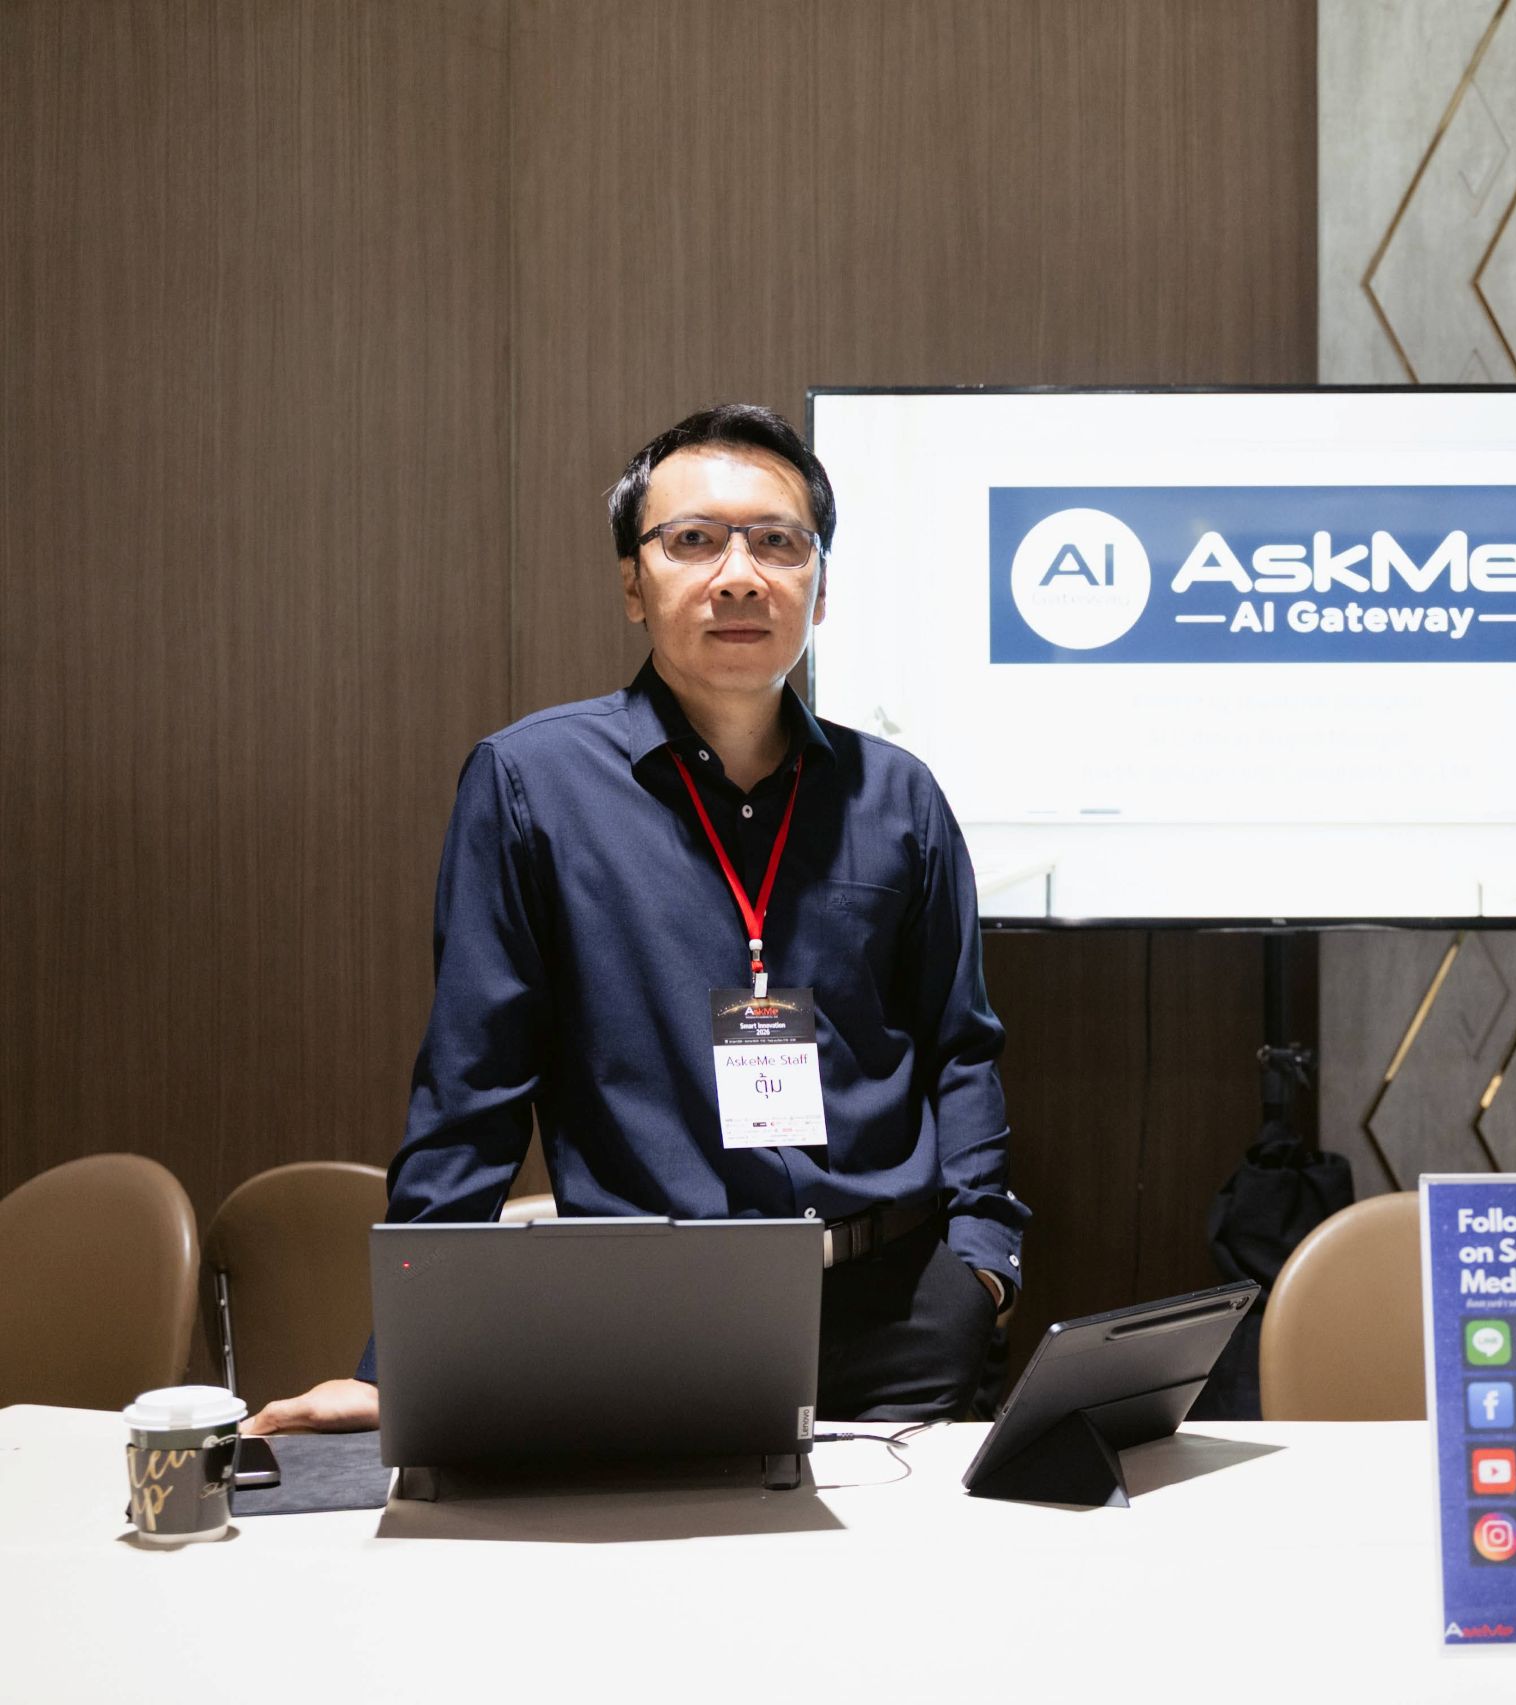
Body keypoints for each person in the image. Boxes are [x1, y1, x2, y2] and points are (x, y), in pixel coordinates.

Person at [249, 403, 1025, 1432]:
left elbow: (960, 1049)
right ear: (632, 583)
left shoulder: (898, 795)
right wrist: (397, 1364)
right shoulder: (532, 785)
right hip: (657, 1318)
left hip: (903, 1315)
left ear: (821, 585)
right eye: (693, 540)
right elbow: (474, 1091)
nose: (740, 575)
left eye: (778, 542)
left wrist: (983, 1265)